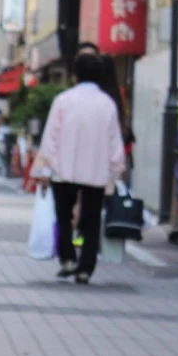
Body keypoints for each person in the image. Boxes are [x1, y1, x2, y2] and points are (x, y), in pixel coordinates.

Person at [32, 50, 126, 284]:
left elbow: (50, 137)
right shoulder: (107, 104)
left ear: (75, 75)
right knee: (92, 218)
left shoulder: (63, 100)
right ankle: (86, 268)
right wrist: (116, 169)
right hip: (95, 171)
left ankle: (68, 259)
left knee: (63, 215)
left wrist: (44, 170)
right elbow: (115, 140)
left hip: (63, 169)